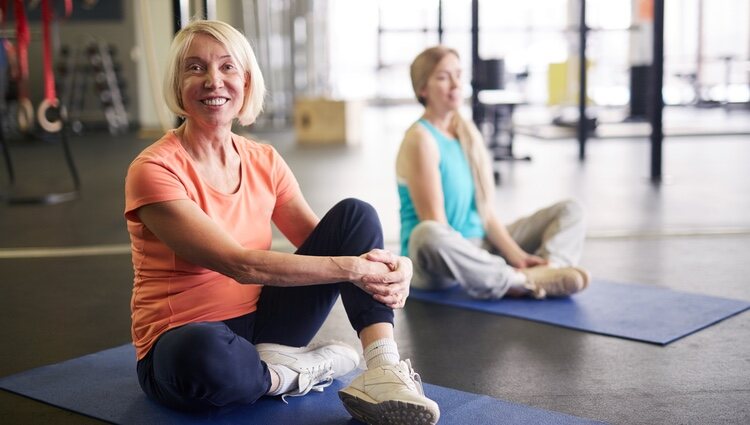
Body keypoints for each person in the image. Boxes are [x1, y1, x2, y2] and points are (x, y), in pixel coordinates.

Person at [124, 20, 439, 425]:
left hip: (266, 323)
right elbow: (239, 264)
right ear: (177, 82)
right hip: (180, 342)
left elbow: (328, 243)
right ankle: (287, 373)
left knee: (356, 215)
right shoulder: (153, 169)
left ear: (246, 81)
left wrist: (397, 266)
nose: (213, 81)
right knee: (202, 353)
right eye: (195, 68)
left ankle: (382, 370)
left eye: (227, 67)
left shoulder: (263, 160)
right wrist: (353, 268)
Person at [396, 46, 590, 300]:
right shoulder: (420, 139)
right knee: (428, 233)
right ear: (423, 89)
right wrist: (484, 260)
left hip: (479, 248)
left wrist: (517, 257)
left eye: (458, 74)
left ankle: (548, 270)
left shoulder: (465, 133)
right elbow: (438, 224)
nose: (455, 84)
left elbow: (485, 214)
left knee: (570, 210)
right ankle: (518, 281)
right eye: (443, 77)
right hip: (436, 262)